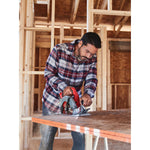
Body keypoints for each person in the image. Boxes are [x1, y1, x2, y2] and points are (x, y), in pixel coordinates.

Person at [39, 32, 101, 150]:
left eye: (92, 54)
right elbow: (48, 73)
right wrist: (63, 87)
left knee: (81, 141)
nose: (88, 57)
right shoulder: (59, 50)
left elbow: (91, 78)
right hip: (52, 102)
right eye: (87, 52)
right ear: (80, 43)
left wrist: (88, 94)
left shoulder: (91, 58)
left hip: (74, 105)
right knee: (46, 141)